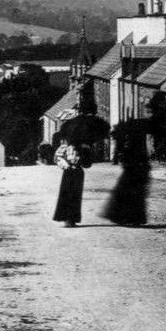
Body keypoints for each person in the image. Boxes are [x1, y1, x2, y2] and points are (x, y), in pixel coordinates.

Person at [52, 82, 109, 228]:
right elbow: (86, 161)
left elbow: (62, 144)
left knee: (65, 192)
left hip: (67, 166)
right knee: (75, 193)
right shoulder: (89, 127)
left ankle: (65, 218)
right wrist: (86, 150)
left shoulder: (71, 125)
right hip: (76, 166)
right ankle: (71, 218)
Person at [102, 120, 151, 227]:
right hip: (135, 168)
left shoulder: (128, 139)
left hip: (134, 168)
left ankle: (126, 217)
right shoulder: (133, 138)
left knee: (128, 192)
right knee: (133, 193)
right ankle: (132, 218)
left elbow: (124, 153)